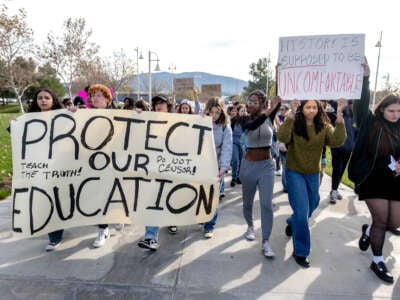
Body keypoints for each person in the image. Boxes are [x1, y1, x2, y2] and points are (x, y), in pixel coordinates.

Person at [277, 98, 346, 267]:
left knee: (313, 203)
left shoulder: (324, 125)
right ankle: (301, 251)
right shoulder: (294, 123)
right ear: (302, 108)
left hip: (313, 173)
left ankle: (293, 222)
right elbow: (282, 136)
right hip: (295, 172)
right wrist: (291, 115)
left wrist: (339, 115)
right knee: (302, 212)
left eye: (315, 107)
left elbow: (337, 141)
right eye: (308, 107)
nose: (312, 110)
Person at [348, 58, 400, 284]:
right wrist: (365, 78)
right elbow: (361, 104)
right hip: (372, 179)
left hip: (395, 180)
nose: (395, 114)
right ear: (382, 109)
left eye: (399, 111)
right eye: (391, 110)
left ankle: (368, 230)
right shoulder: (371, 122)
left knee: (393, 223)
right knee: (381, 220)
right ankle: (377, 260)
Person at [238, 91, 280, 258]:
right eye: (250, 101)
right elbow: (253, 126)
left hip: (267, 166)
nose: (251, 104)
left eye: (255, 102)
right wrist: (268, 111)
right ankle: (250, 226)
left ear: (263, 103)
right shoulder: (244, 118)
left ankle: (266, 241)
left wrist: (279, 70)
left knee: (266, 204)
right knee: (248, 202)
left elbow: (277, 99)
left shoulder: (270, 116)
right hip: (248, 166)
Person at [137, 94, 177, 250]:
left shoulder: (177, 122)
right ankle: (150, 237)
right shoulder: (148, 121)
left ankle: (173, 220)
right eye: (156, 104)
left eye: (162, 103)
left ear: (168, 106)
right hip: (152, 168)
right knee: (153, 201)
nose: (159, 106)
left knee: (170, 198)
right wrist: (137, 117)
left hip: (173, 167)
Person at [26, 88, 63, 251]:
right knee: (46, 201)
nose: (43, 100)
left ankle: (58, 231)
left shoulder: (63, 118)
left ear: (53, 100)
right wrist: (14, 125)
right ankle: (54, 237)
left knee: (60, 201)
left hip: (61, 166)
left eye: (47, 97)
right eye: (39, 98)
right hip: (40, 168)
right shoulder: (27, 120)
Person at [85, 84, 115, 248]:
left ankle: (112, 220)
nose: (94, 98)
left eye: (99, 95)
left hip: (113, 163)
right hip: (92, 163)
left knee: (111, 195)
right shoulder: (84, 115)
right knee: (98, 196)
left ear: (107, 99)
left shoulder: (118, 115)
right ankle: (103, 229)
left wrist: (137, 114)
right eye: (92, 95)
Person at [202, 97, 232, 238]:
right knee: (201, 195)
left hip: (217, 167)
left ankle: (209, 226)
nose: (213, 116)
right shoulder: (200, 121)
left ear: (221, 113)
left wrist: (223, 168)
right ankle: (202, 217)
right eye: (211, 112)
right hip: (200, 166)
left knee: (213, 197)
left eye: (216, 113)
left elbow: (227, 148)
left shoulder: (225, 127)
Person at [328, 100, 357, 204]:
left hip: (349, 148)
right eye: (353, 104)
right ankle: (334, 191)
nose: (354, 106)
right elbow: (331, 100)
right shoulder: (340, 112)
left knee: (342, 169)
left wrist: (354, 145)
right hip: (337, 147)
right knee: (337, 168)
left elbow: (356, 133)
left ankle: (335, 189)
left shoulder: (356, 117)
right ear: (349, 104)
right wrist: (340, 106)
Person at [230, 104, 247, 187]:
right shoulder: (233, 120)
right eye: (242, 111)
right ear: (238, 112)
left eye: (245, 111)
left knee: (241, 161)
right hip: (234, 142)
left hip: (243, 143)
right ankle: (233, 177)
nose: (244, 112)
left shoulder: (247, 120)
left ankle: (238, 177)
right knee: (235, 160)